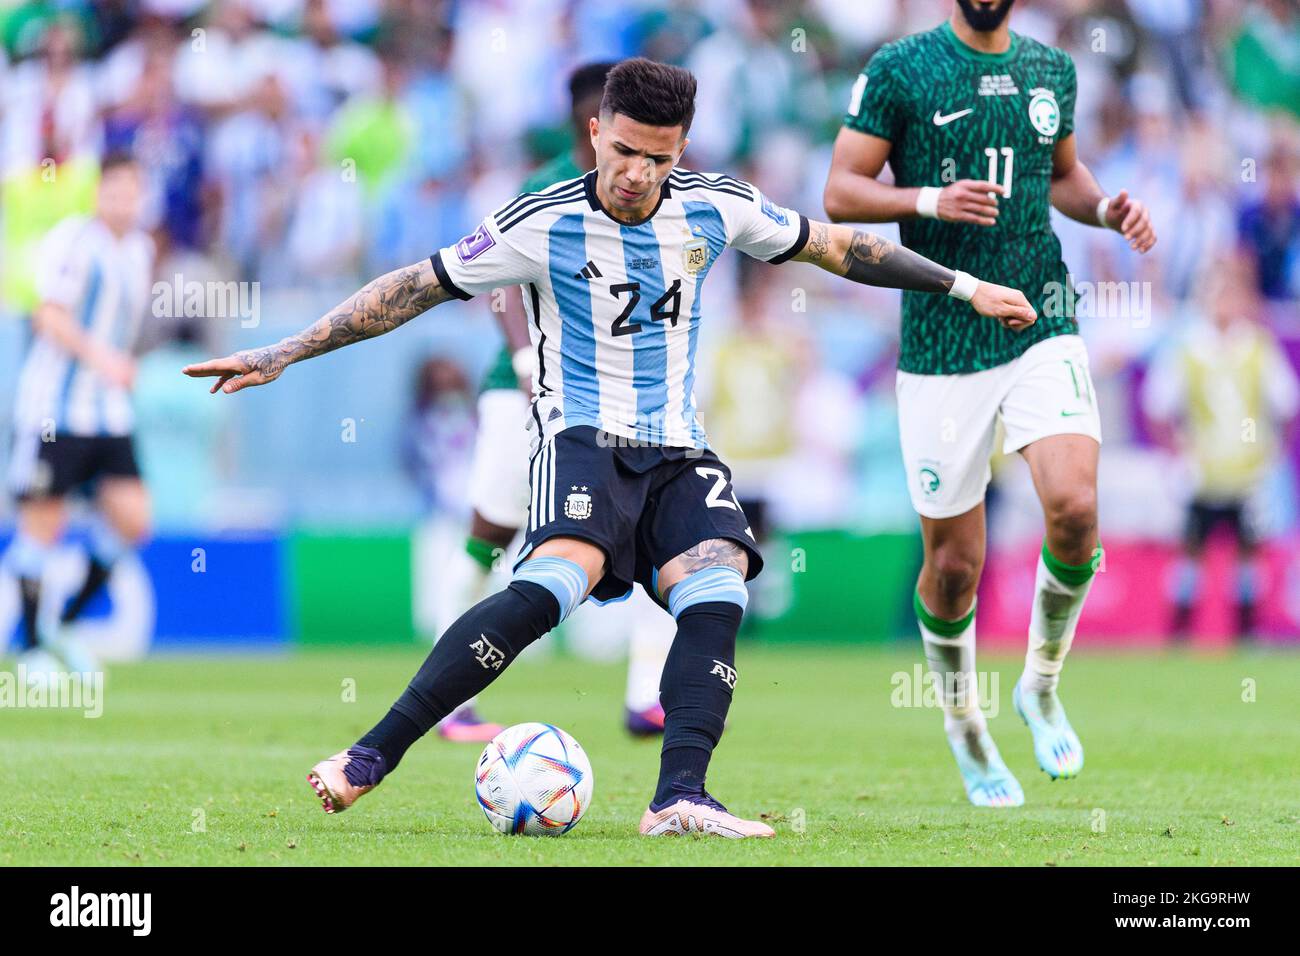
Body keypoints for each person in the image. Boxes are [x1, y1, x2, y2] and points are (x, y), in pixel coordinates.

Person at [184, 57, 1036, 838]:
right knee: (553, 585)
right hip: (581, 437)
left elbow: (840, 246)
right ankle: (370, 756)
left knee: (717, 586)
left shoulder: (718, 204)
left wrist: (963, 284)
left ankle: (679, 797)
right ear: (596, 131)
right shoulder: (538, 220)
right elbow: (413, 286)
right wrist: (283, 350)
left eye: (658, 159)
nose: (638, 175)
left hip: (679, 449)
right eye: (624, 151)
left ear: (681, 150)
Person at [824, 0, 1156, 805]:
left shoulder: (1053, 68)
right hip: (942, 336)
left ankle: (1039, 686)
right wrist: (929, 201)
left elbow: (1063, 176)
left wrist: (1107, 207)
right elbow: (839, 192)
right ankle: (965, 724)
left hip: (1041, 311)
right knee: (953, 565)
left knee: (1075, 507)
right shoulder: (901, 68)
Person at [436, 60, 676, 742]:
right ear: (588, 119)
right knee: (492, 529)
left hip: (608, 396)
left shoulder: (655, 193)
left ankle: (645, 698)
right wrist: (521, 359)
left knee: (663, 527)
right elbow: (500, 285)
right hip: (520, 392)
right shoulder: (544, 188)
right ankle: (452, 701)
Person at [4, 152, 155, 672]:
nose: (122, 202)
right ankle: (28, 651)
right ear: (97, 195)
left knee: (134, 519)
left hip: (108, 412)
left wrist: (121, 367)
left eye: (131, 192)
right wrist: (105, 359)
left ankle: (61, 626)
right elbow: (48, 315)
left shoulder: (139, 250)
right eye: (112, 191)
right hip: (55, 408)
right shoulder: (73, 239)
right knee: (43, 523)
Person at [1142, 252, 1299, 641]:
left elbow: (1287, 405)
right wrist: (1176, 453)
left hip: (1248, 473)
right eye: (1217, 293)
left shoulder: (1258, 347)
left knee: (1248, 553)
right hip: (1202, 472)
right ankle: (1181, 628)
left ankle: (1246, 628)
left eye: (1232, 294)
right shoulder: (1188, 348)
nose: (1225, 303)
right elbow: (1157, 407)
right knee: (1191, 549)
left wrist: (1274, 452)